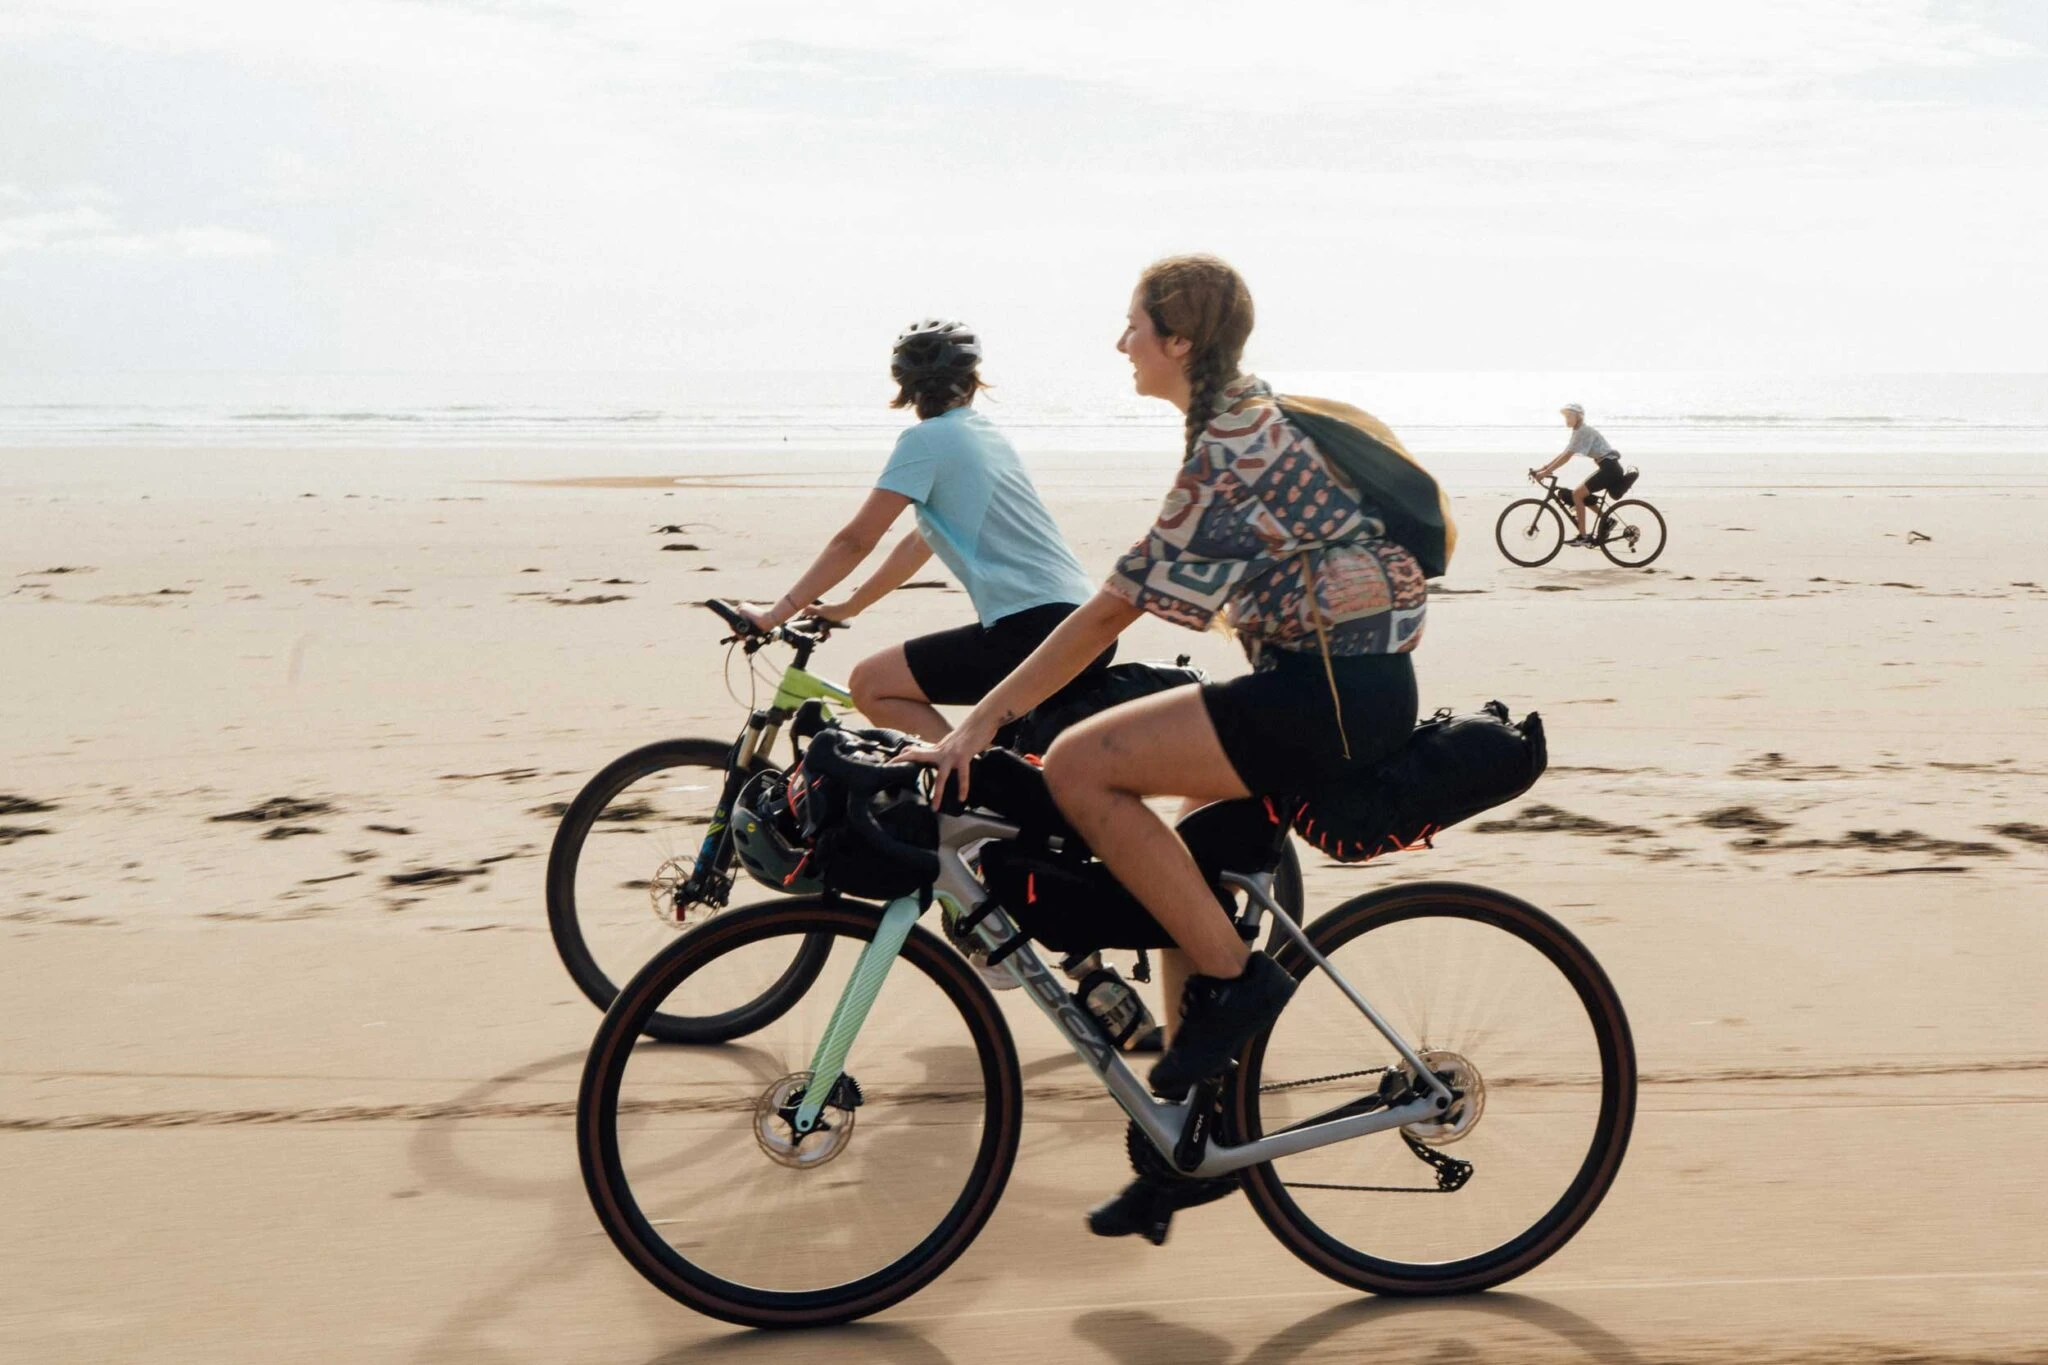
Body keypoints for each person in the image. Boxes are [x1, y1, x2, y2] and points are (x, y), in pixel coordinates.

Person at [907, 255, 1429, 1241]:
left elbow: (1110, 610)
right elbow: (1129, 599)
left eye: (1132, 327)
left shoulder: (1232, 435)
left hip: (1329, 696)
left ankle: (1237, 985)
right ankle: (1186, 1149)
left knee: (1077, 765)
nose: (1120, 345)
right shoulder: (1231, 421)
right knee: (1185, 890)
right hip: (1322, 685)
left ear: (1177, 341)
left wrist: (980, 719)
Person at [739, 319, 1112, 741]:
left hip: (1032, 628)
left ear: (906, 390)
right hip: (1083, 620)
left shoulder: (927, 440)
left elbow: (854, 541)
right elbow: (920, 542)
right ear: (972, 381)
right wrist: (848, 607)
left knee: (870, 684)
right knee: (1002, 748)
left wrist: (773, 616)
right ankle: (975, 777)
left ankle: (961, 779)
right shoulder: (983, 435)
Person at [1529, 402, 1625, 545]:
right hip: (1608, 468)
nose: (1566, 419)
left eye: (1569, 415)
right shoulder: (1578, 431)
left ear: (1578, 416)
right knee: (1580, 494)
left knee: (1577, 495)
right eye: (1565, 416)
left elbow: (1567, 456)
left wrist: (1546, 473)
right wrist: (1543, 469)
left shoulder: (1583, 431)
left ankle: (1583, 536)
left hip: (1610, 469)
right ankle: (1607, 520)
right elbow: (1564, 453)